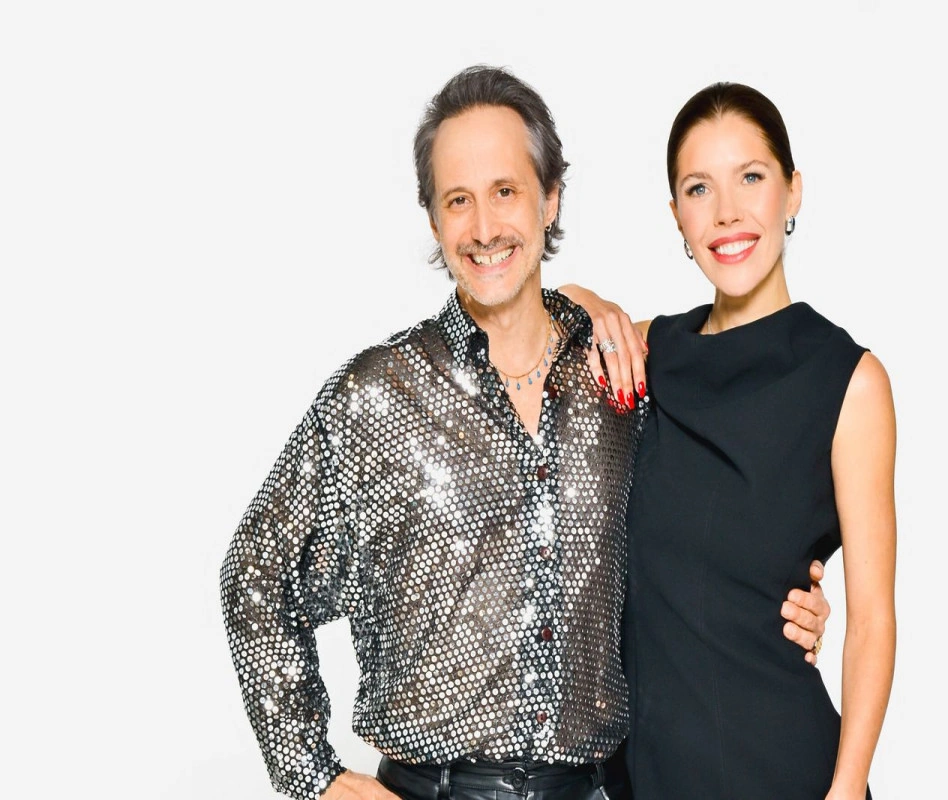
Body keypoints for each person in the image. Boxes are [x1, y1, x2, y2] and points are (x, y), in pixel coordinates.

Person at [220, 66, 831, 800]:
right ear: (434, 219)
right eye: (458, 200)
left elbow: (695, 544)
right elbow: (254, 573)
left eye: (506, 191)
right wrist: (314, 773)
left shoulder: (621, 379)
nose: (484, 228)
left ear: (550, 199)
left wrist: (781, 601)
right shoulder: (377, 396)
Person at [563, 82, 897, 799]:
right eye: (698, 188)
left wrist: (845, 792)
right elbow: (523, 317)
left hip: (783, 771)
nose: (726, 212)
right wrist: (592, 302)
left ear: (792, 191)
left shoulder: (850, 382)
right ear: (677, 217)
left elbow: (872, 620)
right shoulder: (646, 354)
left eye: (750, 177)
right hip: (644, 777)